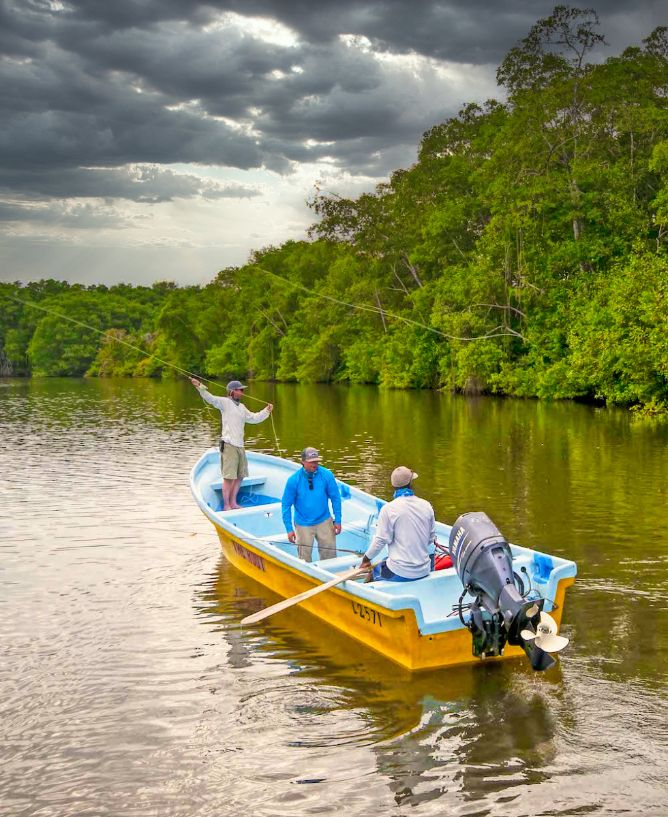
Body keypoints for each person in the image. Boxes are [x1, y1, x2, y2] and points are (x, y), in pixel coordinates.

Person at [190, 377, 273, 510]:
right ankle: (227, 505)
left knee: (240, 476)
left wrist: (266, 411)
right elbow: (210, 398)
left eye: (242, 390)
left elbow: (254, 418)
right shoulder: (224, 403)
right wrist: (199, 386)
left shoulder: (242, 407)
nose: (242, 392)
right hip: (228, 445)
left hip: (240, 446)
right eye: (239, 390)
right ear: (231, 392)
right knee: (229, 477)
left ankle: (233, 503)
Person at [359, 466, 437, 582]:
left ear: (393, 486)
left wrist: (366, 559)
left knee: (373, 572)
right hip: (424, 570)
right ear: (411, 483)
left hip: (402, 572)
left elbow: (380, 541)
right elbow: (431, 539)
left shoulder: (388, 509)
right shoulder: (426, 505)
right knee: (386, 560)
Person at [281, 447, 342, 562]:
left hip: (324, 520)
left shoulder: (327, 475)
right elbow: (286, 505)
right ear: (303, 462)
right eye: (311, 462)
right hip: (303, 524)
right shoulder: (293, 480)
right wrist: (289, 528)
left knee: (330, 557)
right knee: (304, 559)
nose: (315, 464)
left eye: (316, 461)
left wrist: (338, 520)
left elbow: (335, 498)